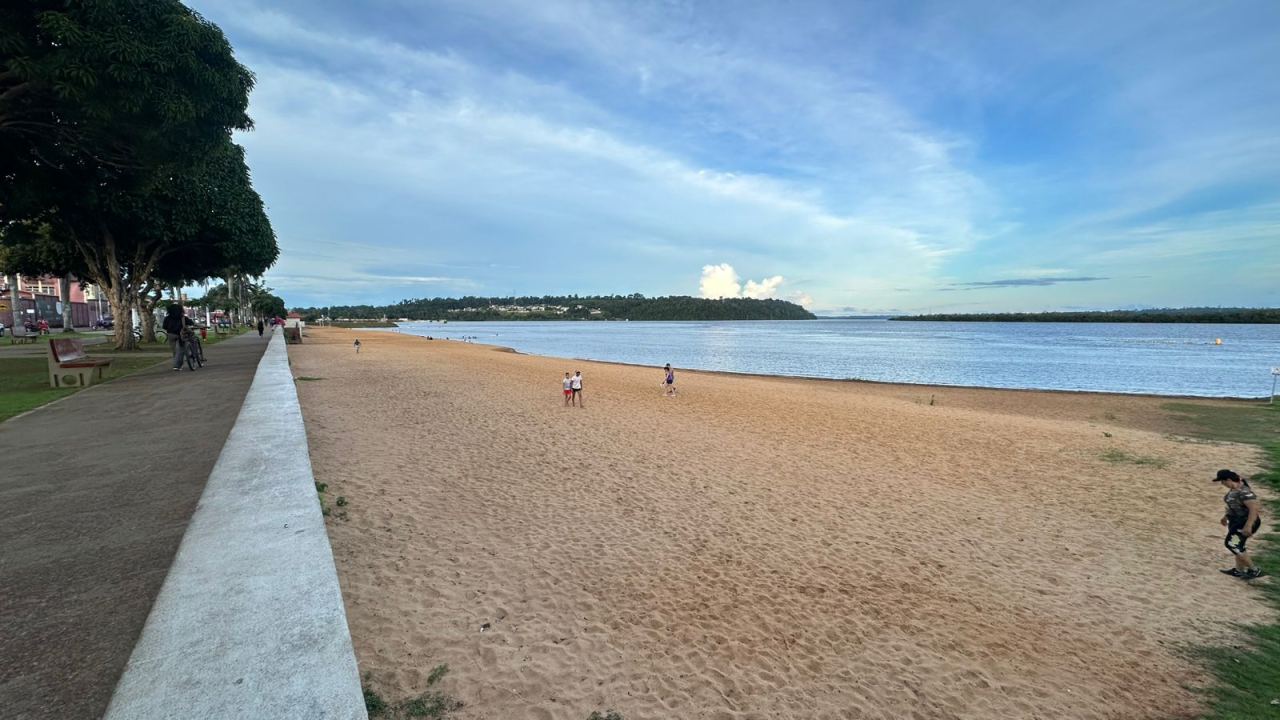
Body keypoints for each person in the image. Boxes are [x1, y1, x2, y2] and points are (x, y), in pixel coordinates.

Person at [1215, 469, 1264, 579]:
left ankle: (1254, 570)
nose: (1222, 484)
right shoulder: (1234, 489)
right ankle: (1239, 570)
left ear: (1228, 480)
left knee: (1232, 544)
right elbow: (1234, 505)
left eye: (1222, 481)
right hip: (1236, 521)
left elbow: (1253, 510)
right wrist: (1226, 516)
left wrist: (1248, 525)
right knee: (1238, 545)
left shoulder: (1245, 492)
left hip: (1244, 522)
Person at [162, 304, 188, 371]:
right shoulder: (182, 317)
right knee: (181, 350)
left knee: (174, 351)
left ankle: (176, 364)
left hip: (171, 335)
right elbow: (191, 323)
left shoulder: (167, 318)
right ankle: (178, 365)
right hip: (181, 335)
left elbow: (164, 326)